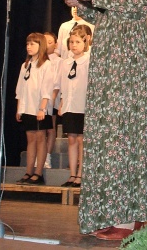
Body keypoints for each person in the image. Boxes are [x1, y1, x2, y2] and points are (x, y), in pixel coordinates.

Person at [60, 0, 147, 240]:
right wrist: (81, 2)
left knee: (123, 133)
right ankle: (119, 212)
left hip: (127, 57)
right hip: (108, 54)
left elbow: (139, 3)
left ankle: (128, 218)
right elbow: (108, 12)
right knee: (107, 135)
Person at [15, 32, 54, 186]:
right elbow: (20, 89)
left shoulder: (46, 65)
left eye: (32, 44)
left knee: (40, 139)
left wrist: (42, 109)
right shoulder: (25, 65)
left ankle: (38, 173)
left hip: (39, 109)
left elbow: (47, 89)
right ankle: (28, 171)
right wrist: (19, 109)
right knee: (30, 139)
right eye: (27, 44)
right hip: (27, 108)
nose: (28, 47)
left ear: (40, 45)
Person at [56, 26, 90, 188]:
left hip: (82, 105)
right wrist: (62, 103)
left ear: (85, 42)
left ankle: (81, 174)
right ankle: (72, 174)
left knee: (81, 140)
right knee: (71, 139)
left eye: (77, 42)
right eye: (71, 42)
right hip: (69, 105)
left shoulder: (88, 61)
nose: (74, 45)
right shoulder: (66, 63)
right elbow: (64, 85)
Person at [43, 32, 61, 169]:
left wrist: (53, 99)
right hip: (38, 100)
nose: (46, 45)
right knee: (40, 130)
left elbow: (57, 82)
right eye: (44, 42)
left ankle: (47, 157)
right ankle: (39, 156)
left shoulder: (59, 61)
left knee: (50, 128)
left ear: (55, 44)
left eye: (50, 42)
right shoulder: (39, 60)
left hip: (52, 99)